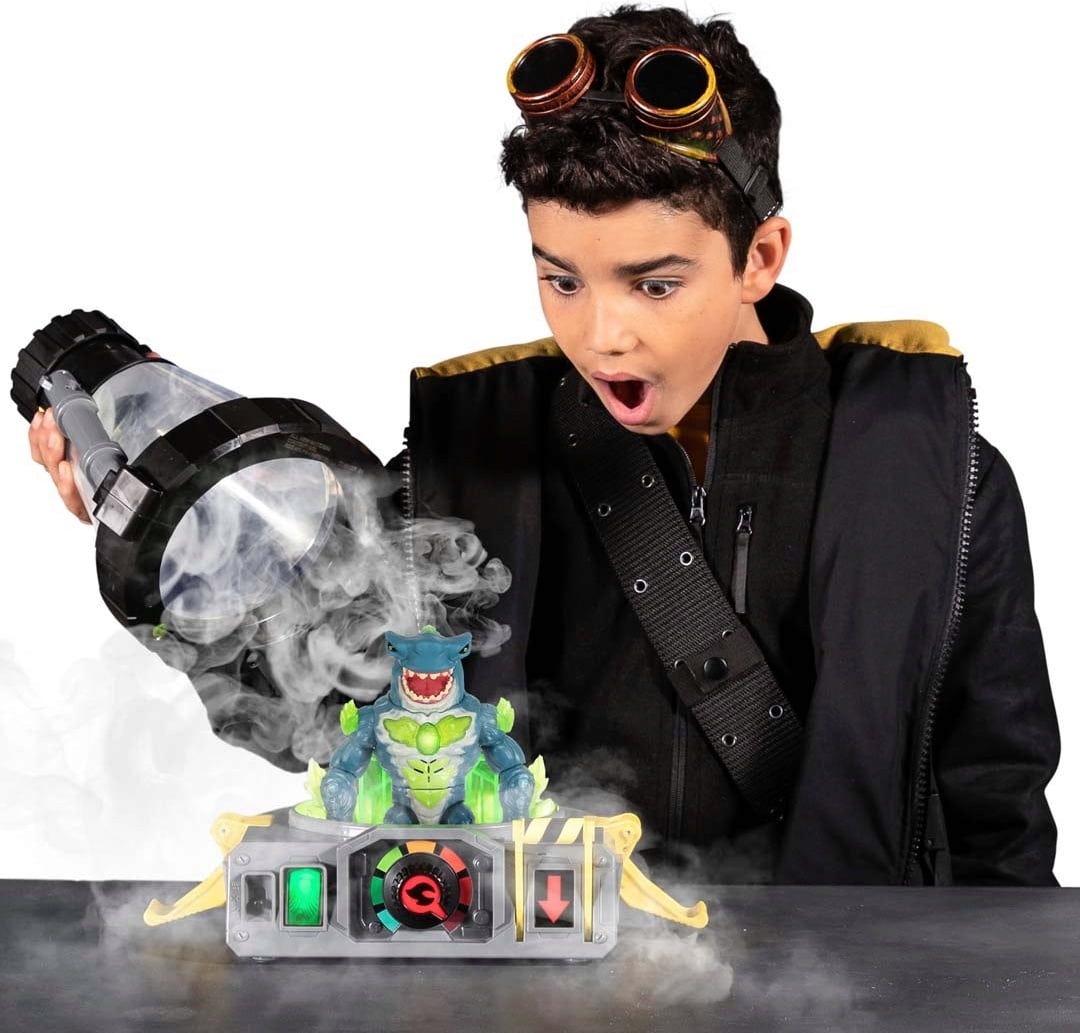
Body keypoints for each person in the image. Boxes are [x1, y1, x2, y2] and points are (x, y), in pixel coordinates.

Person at [26, 5, 1058, 886]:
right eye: (561, 279)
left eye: (655, 284)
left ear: (761, 256)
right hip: (542, 980)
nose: (602, 335)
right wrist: (172, 534)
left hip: (844, 991)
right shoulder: (471, 457)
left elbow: (995, 806)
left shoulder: (935, 476)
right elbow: (329, 710)